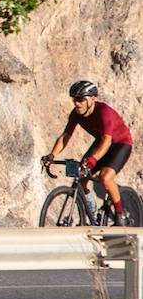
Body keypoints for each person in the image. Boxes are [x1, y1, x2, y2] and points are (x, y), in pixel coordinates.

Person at [42, 80, 133, 220]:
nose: (77, 104)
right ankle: (90, 210)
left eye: (80, 100)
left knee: (105, 177)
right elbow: (66, 136)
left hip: (120, 144)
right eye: (74, 100)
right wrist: (52, 155)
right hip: (101, 142)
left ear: (92, 99)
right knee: (81, 175)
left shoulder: (104, 112)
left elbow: (107, 140)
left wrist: (93, 159)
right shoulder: (76, 114)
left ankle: (120, 214)